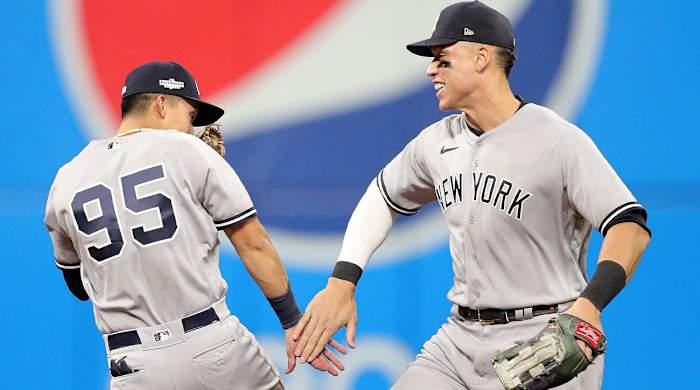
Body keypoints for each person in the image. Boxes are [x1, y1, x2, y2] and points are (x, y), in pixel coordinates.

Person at [291, 2, 651, 389]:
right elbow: (380, 197)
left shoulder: (556, 139)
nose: (431, 69)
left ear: (481, 58)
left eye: (443, 59)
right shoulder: (436, 143)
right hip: (459, 339)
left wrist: (590, 305)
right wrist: (343, 280)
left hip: (545, 336)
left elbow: (629, 226)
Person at [44, 61, 344, 389]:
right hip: (210, 344)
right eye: (189, 116)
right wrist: (292, 321)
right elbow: (253, 243)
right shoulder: (187, 150)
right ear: (161, 103)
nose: (191, 128)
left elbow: (77, 287)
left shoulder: (67, 178)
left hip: (133, 362)